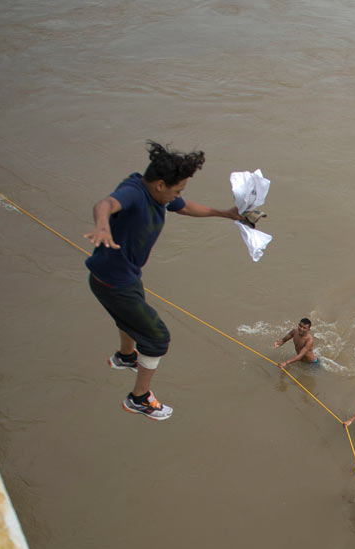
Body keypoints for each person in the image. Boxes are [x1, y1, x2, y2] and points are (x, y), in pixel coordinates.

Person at [85, 141, 241, 420]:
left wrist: (226, 214)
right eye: (177, 190)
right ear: (159, 184)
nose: (178, 195)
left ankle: (126, 357)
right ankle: (139, 398)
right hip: (113, 284)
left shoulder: (158, 196)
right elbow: (105, 204)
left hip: (125, 277)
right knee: (158, 339)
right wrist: (101, 225)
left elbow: (185, 207)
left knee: (133, 319)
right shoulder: (134, 192)